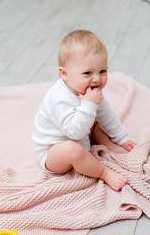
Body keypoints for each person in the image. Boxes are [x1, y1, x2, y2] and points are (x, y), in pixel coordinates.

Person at [32, 30, 137, 191]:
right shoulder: (58, 98)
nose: (97, 79)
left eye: (102, 71)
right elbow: (75, 133)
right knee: (72, 149)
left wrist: (122, 138)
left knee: (95, 119)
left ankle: (108, 144)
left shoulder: (90, 91)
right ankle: (103, 172)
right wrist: (89, 105)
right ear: (65, 74)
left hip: (80, 134)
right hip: (54, 153)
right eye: (87, 73)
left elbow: (106, 115)